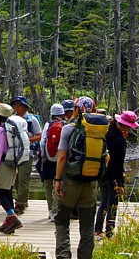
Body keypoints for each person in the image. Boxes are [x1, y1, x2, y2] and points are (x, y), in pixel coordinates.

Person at [54, 96, 102, 259]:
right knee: (87, 227)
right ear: (94, 110)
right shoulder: (99, 131)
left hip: (70, 182)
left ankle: (63, 255)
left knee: (62, 221)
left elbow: (61, 157)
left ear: (75, 110)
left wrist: (58, 180)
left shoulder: (68, 129)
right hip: (90, 183)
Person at [94, 110, 139, 239]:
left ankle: (97, 229)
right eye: (129, 126)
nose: (130, 129)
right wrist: (120, 182)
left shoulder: (107, 133)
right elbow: (118, 164)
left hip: (102, 173)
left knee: (103, 202)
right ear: (124, 125)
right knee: (113, 204)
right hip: (113, 177)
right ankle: (109, 232)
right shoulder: (120, 140)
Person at [0, 103, 23, 234]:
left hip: (3, 164)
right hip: (13, 163)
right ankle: (9, 222)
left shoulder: (1, 129)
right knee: (8, 191)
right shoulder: (14, 128)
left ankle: (13, 217)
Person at [10, 95, 42, 214]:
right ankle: (23, 199)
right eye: (15, 105)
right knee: (16, 178)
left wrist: (28, 140)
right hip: (15, 152)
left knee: (24, 177)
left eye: (19, 105)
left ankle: (20, 203)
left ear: (24, 106)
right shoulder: (12, 119)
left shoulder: (31, 119)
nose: (17, 108)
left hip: (28, 152)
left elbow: (39, 135)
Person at [38, 103, 65, 221]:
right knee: (58, 185)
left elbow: (42, 142)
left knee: (48, 185)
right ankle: (57, 210)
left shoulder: (48, 125)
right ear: (62, 114)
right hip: (60, 159)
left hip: (47, 159)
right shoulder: (65, 125)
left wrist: (43, 156)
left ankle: (50, 211)